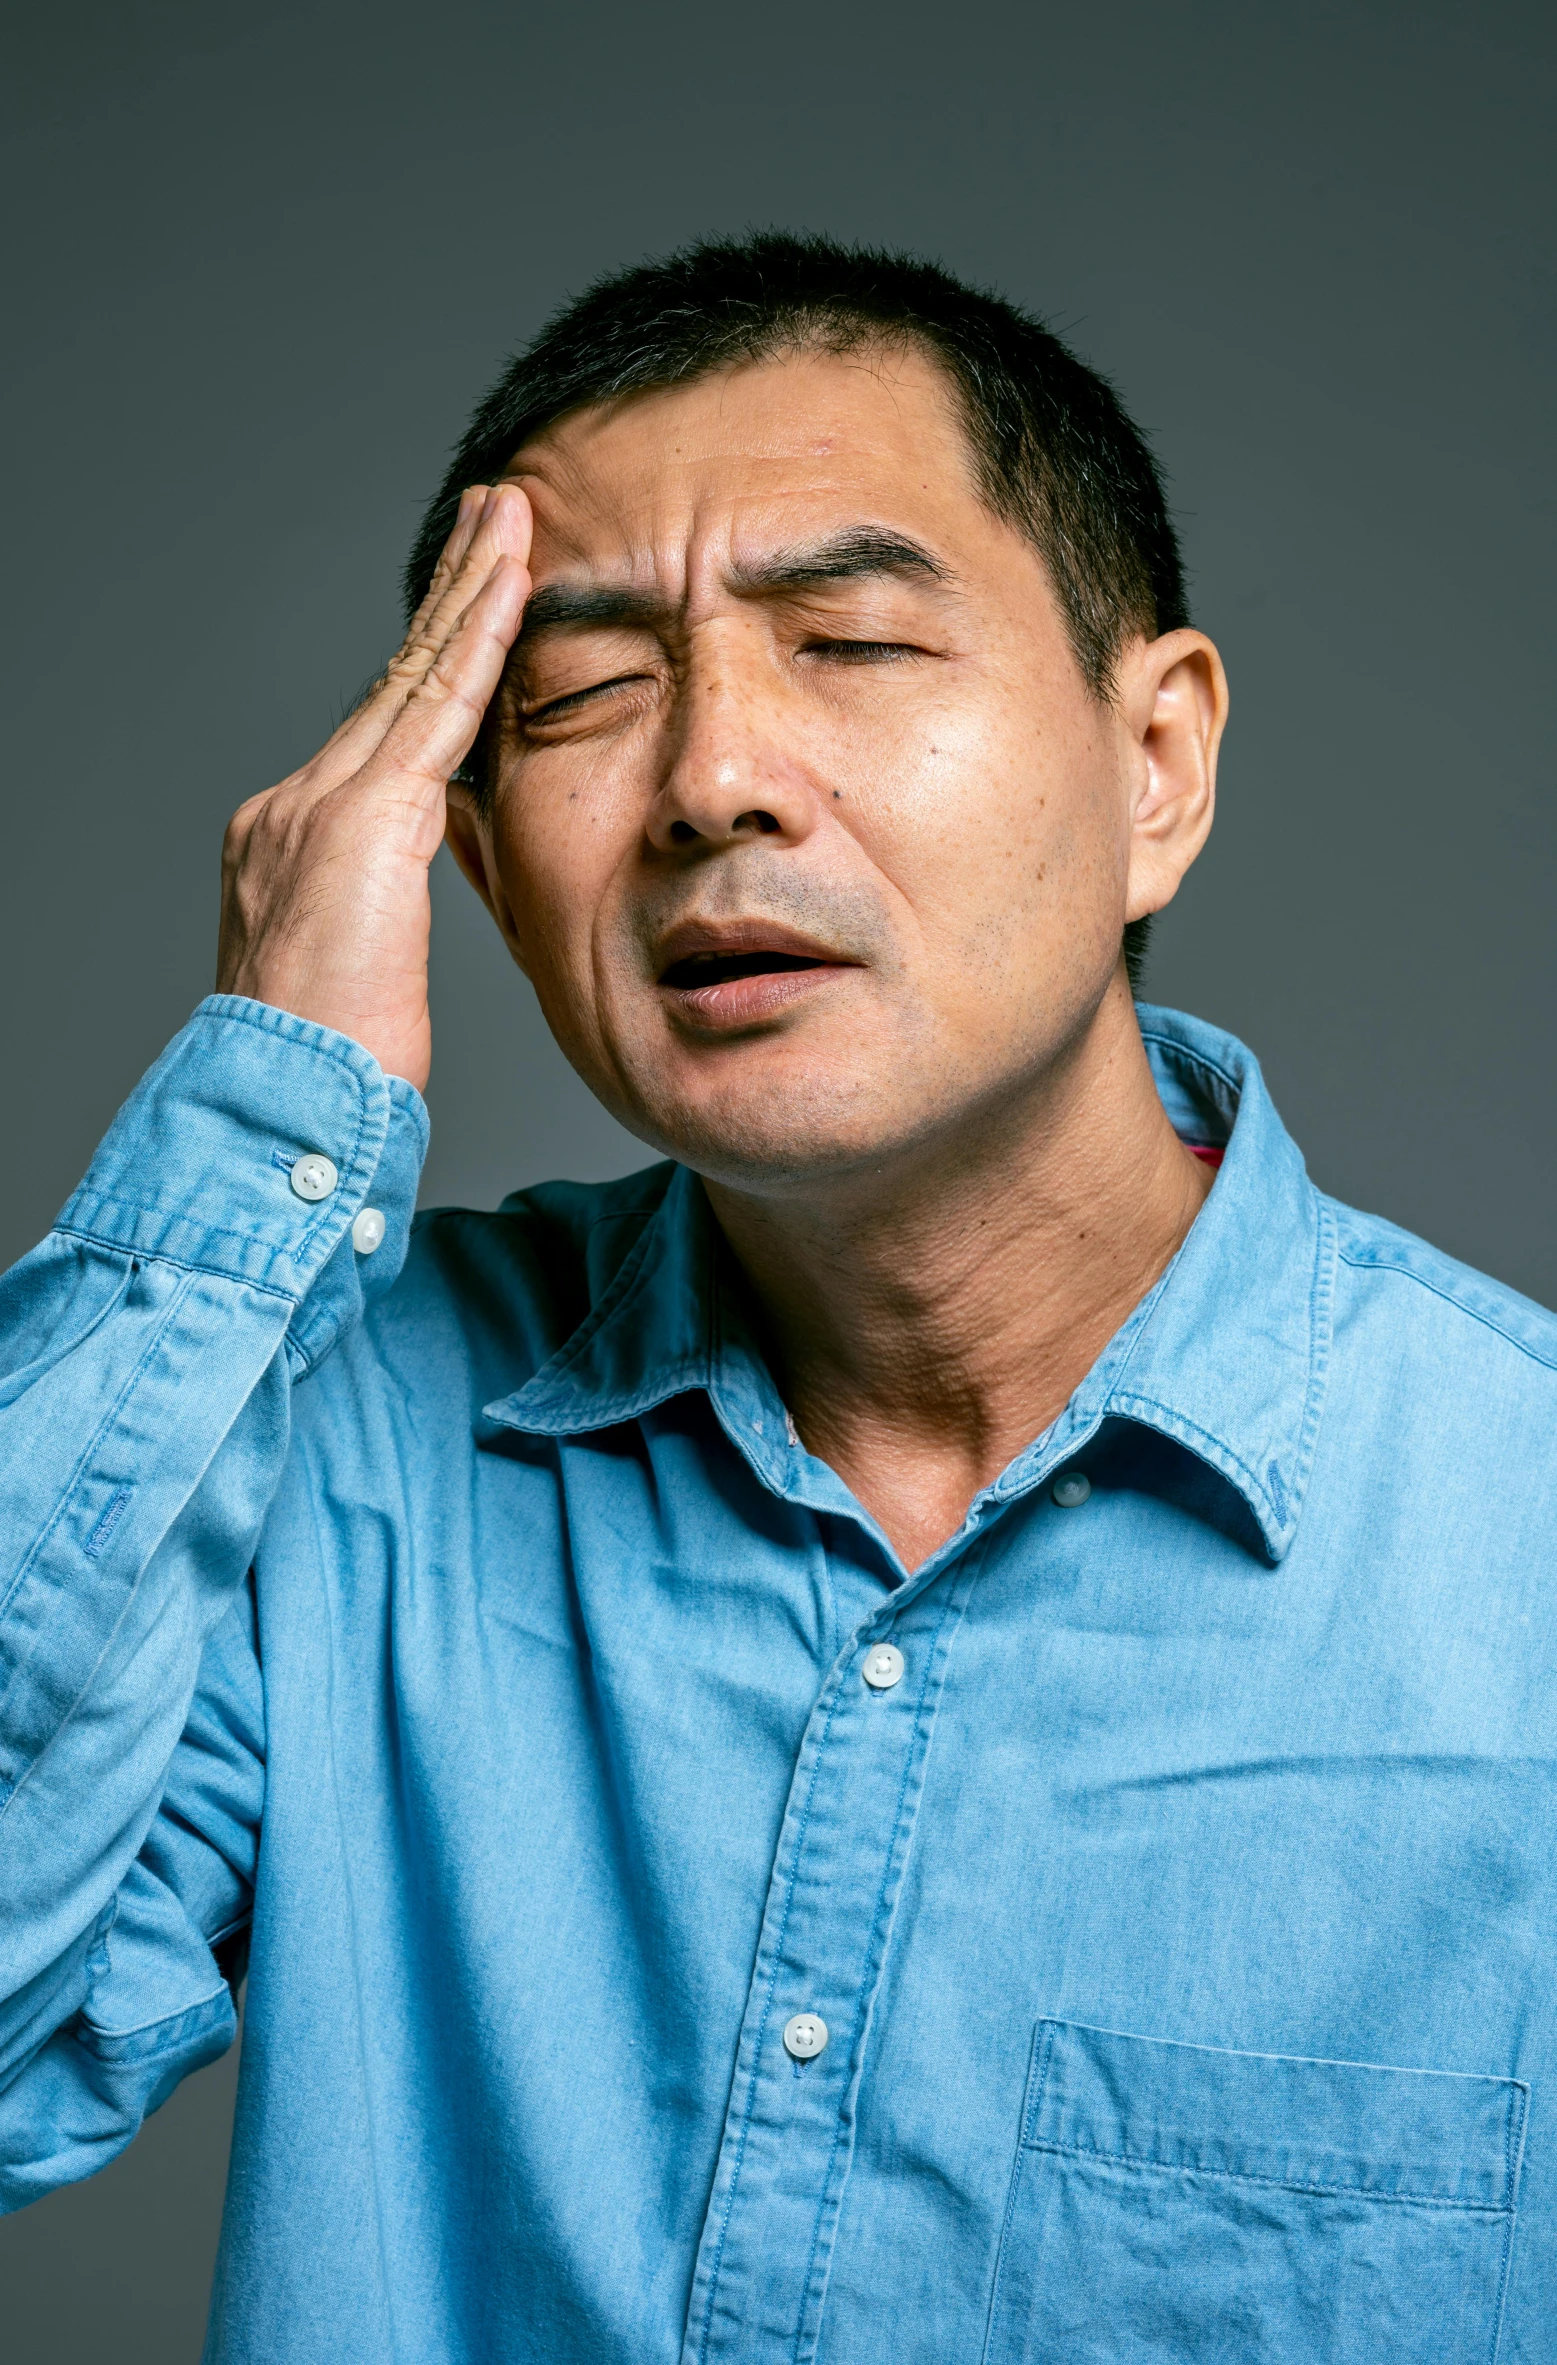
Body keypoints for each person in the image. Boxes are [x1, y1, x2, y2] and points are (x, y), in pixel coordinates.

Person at [0, 232, 1552, 2365]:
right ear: (465, 854)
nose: (712, 779)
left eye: (848, 640)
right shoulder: (325, 1439)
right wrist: (277, 1080)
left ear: (1156, 767)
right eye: (578, 695)